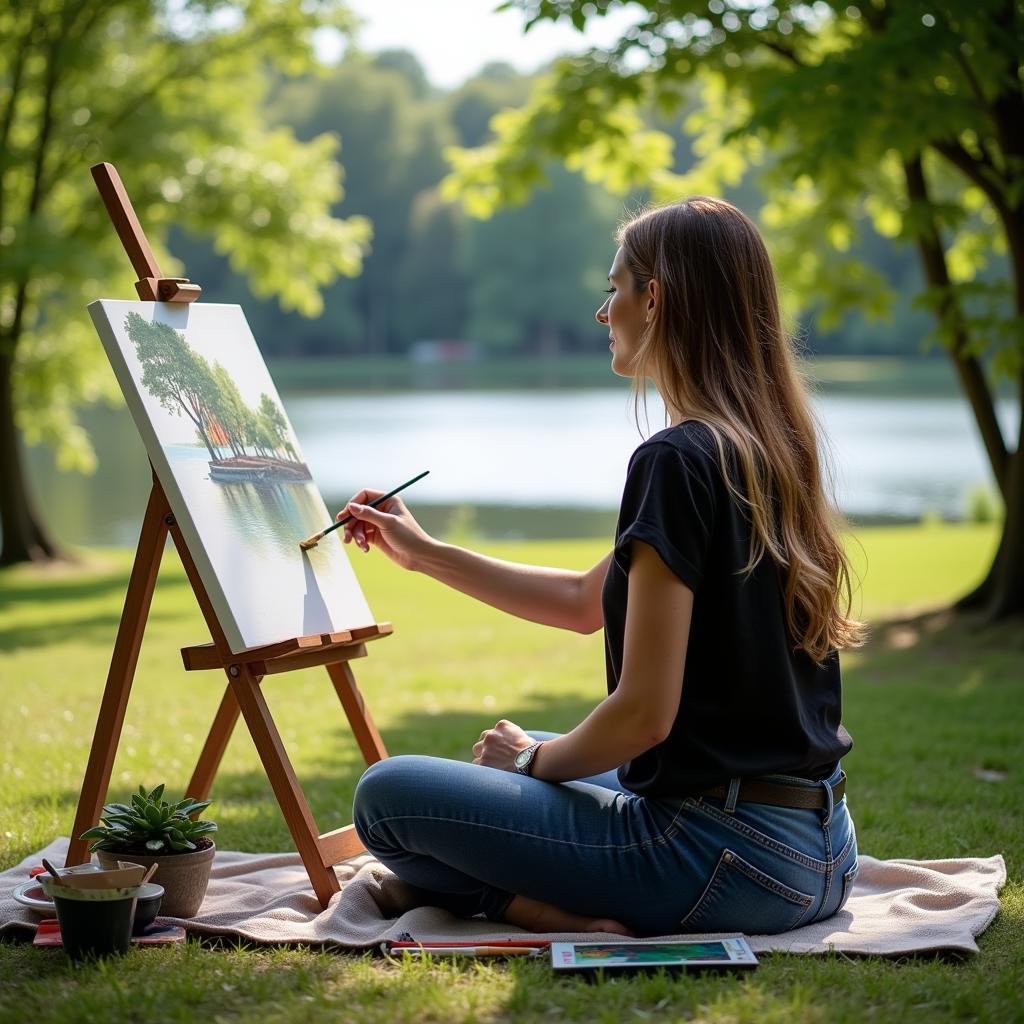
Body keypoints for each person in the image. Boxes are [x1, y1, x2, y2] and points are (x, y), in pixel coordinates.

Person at [339, 197, 864, 938]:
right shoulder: (769, 448)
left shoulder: (675, 459)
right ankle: (533, 864)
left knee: (388, 798)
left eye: (614, 288)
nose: (602, 311)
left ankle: (528, 910)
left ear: (655, 299)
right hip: (823, 852)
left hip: (719, 857)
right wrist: (426, 554)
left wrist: (532, 764)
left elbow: (644, 717)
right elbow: (590, 599)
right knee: (535, 765)